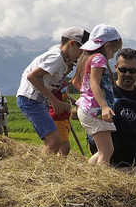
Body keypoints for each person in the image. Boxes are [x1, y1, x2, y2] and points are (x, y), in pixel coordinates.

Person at [91, 48, 136, 181]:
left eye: (132, 70)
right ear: (116, 68)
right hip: (111, 166)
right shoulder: (105, 94)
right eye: (123, 70)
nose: (127, 74)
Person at [17, 27, 88, 155]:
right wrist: (54, 101)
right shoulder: (56, 57)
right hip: (30, 99)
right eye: (81, 51)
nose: (81, 56)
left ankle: (44, 170)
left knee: (53, 141)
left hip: (36, 101)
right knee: (54, 142)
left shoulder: (59, 57)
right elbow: (32, 76)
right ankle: (40, 173)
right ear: (72, 44)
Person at [74, 24, 124, 166]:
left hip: (87, 108)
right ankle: (99, 182)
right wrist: (104, 107)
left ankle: (87, 175)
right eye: (114, 51)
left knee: (105, 150)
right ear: (107, 46)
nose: (113, 55)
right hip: (94, 110)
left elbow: (76, 82)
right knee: (106, 152)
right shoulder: (99, 59)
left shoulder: (87, 58)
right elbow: (95, 84)